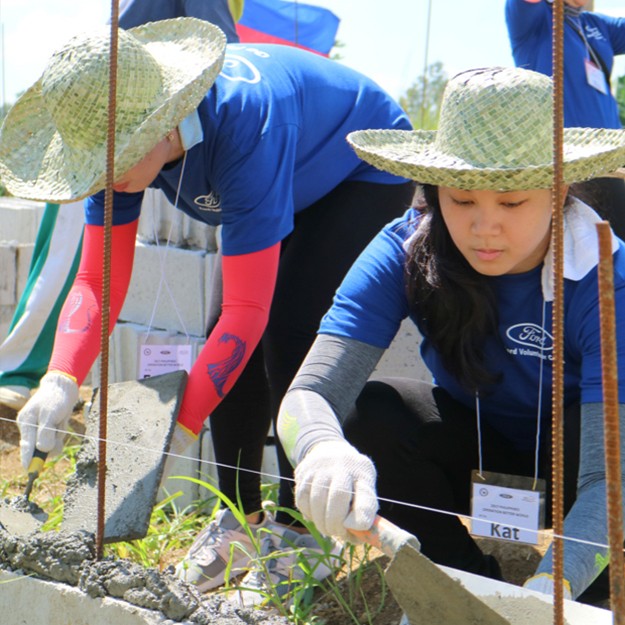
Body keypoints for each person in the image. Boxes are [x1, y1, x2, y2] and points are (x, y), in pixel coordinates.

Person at [0, 18, 415, 598]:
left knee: (290, 329)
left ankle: (300, 534)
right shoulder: (114, 145)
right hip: (280, 171)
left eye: (109, 162)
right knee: (231, 333)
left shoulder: (244, 126)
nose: (101, 177)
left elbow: (249, 316)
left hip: (355, 163)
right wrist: (59, 377)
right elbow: (97, 281)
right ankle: (240, 519)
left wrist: (172, 432)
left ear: (161, 124)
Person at [277, 66, 625, 607]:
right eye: (462, 200)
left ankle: (578, 593)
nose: (485, 227)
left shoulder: (606, 277)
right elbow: (312, 392)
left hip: (583, 464)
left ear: (558, 194)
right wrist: (319, 447)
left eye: (512, 203)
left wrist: (546, 593)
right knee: (372, 414)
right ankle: (462, 589)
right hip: (473, 445)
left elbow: (610, 480)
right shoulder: (402, 249)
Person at [0, 0, 243, 412]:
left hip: (143, 134)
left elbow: (229, 65)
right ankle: (26, 372)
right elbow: (231, 58)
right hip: (111, 133)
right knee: (68, 255)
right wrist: (63, 374)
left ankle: (24, 371)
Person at [505, 0, 625, 240]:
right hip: (565, 167)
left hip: (611, 164)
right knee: (574, 257)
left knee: (618, 257)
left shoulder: (595, 24)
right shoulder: (534, 17)